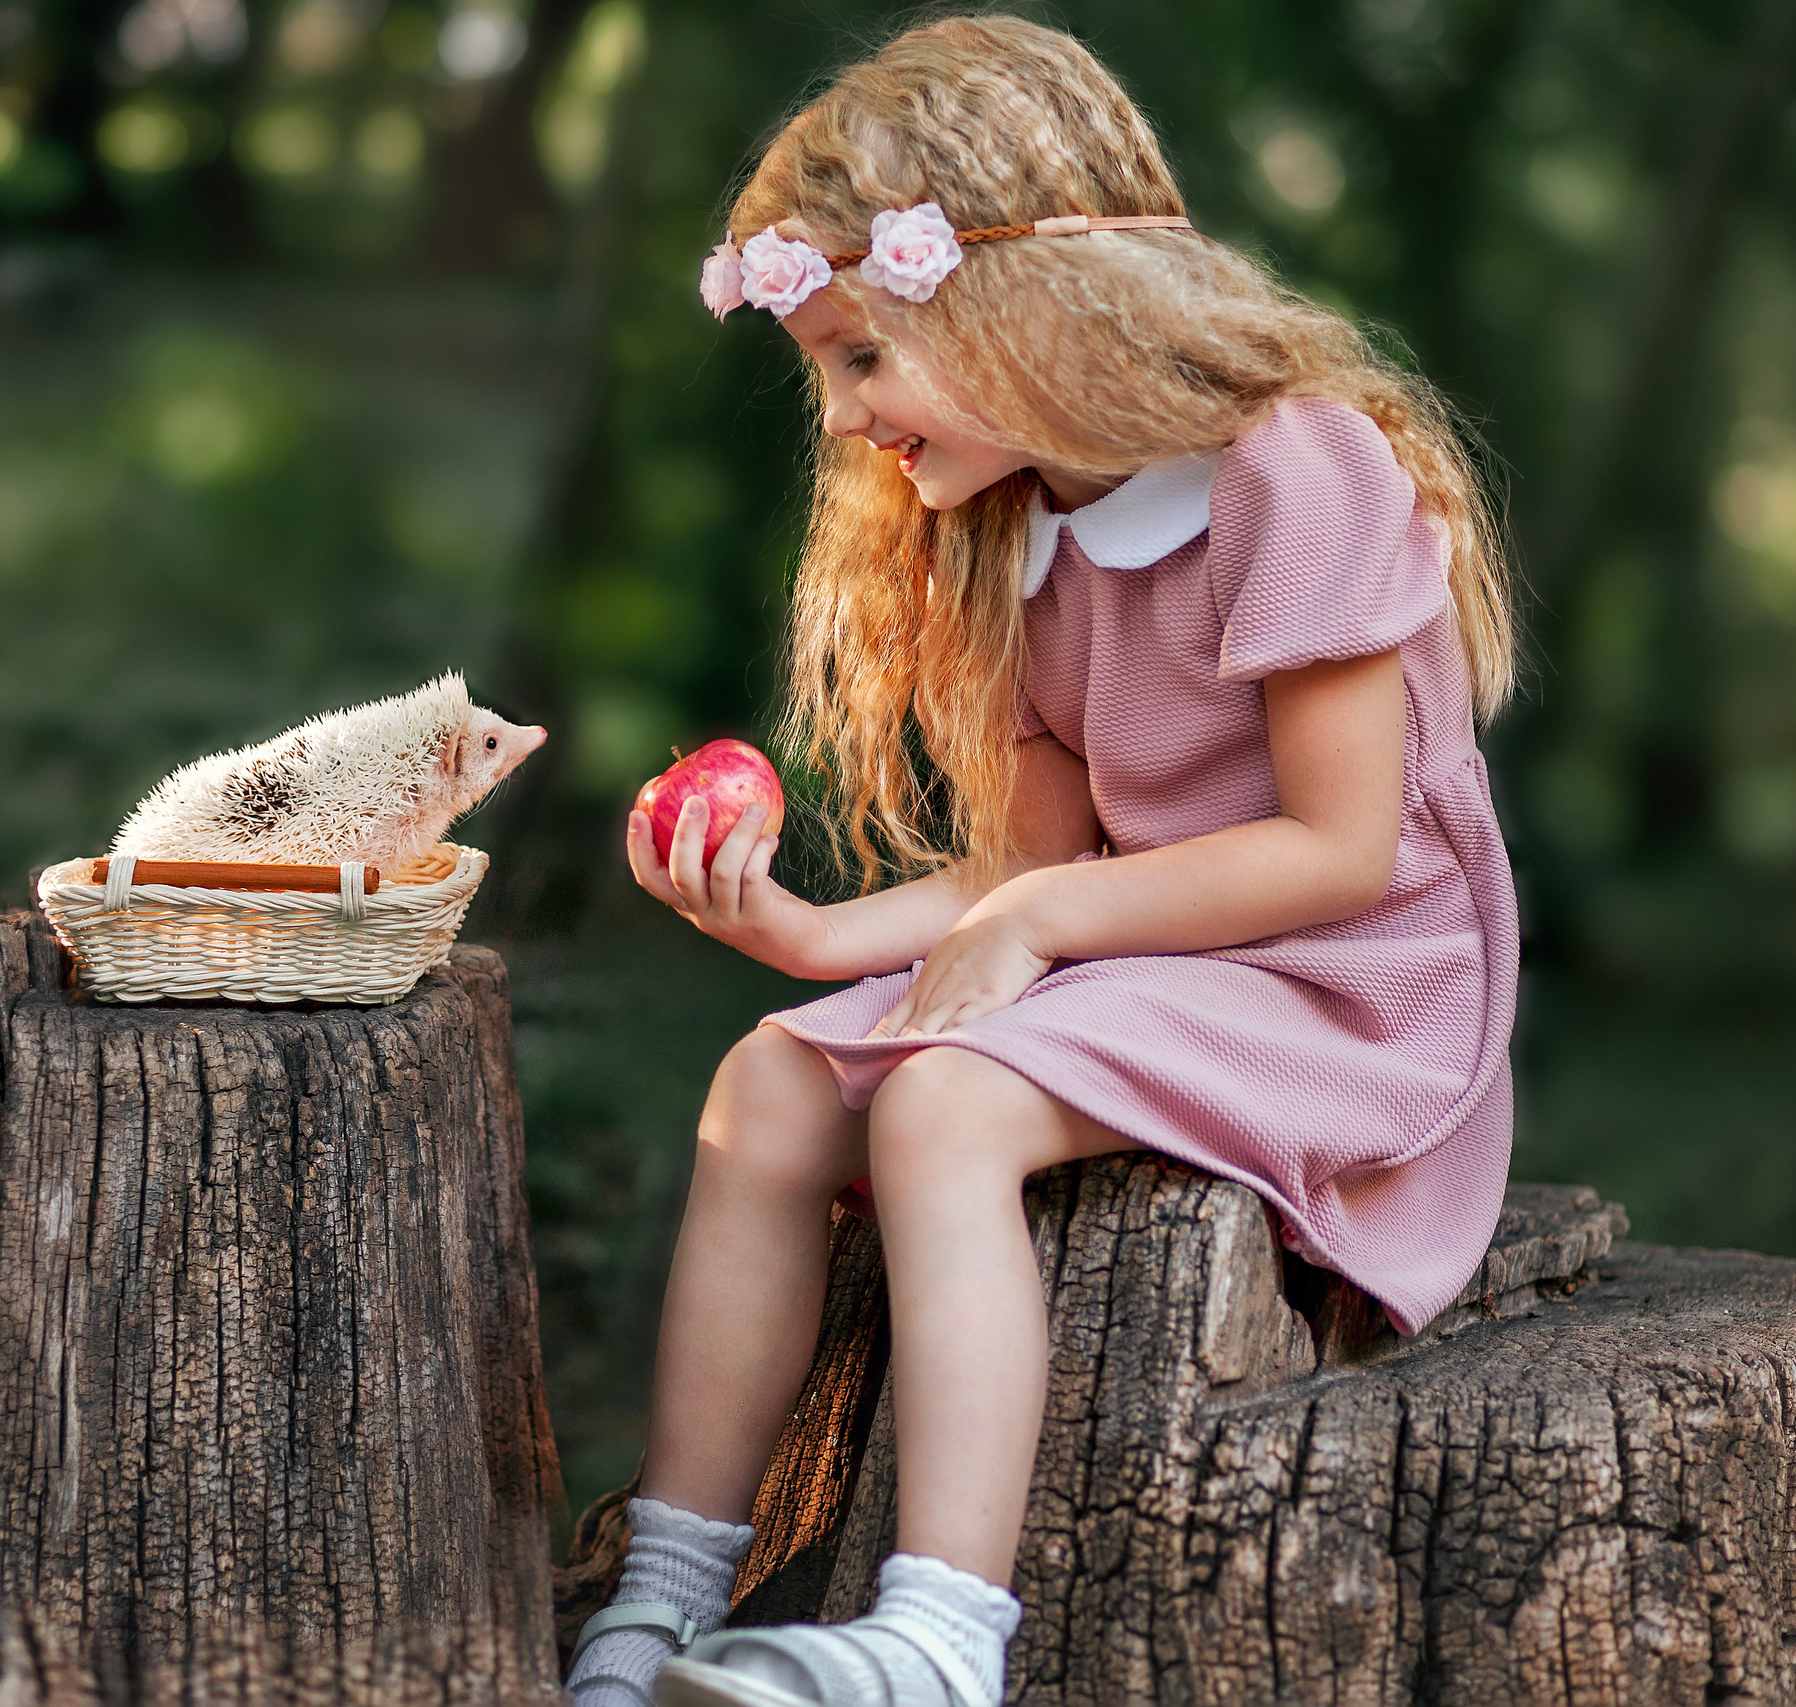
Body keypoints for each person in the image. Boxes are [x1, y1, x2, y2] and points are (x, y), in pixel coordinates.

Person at [567, 17, 1519, 1707]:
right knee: (769, 1088)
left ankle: (942, 1637)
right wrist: (796, 932)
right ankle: (666, 1592)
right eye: (826, 375)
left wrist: (1043, 917)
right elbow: (1029, 862)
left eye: (865, 359)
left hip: (1352, 986)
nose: (848, 419)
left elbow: (1339, 851)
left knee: (941, 1102)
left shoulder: (1292, 471)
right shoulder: (1007, 529)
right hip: (1148, 957)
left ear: (1015, 306)